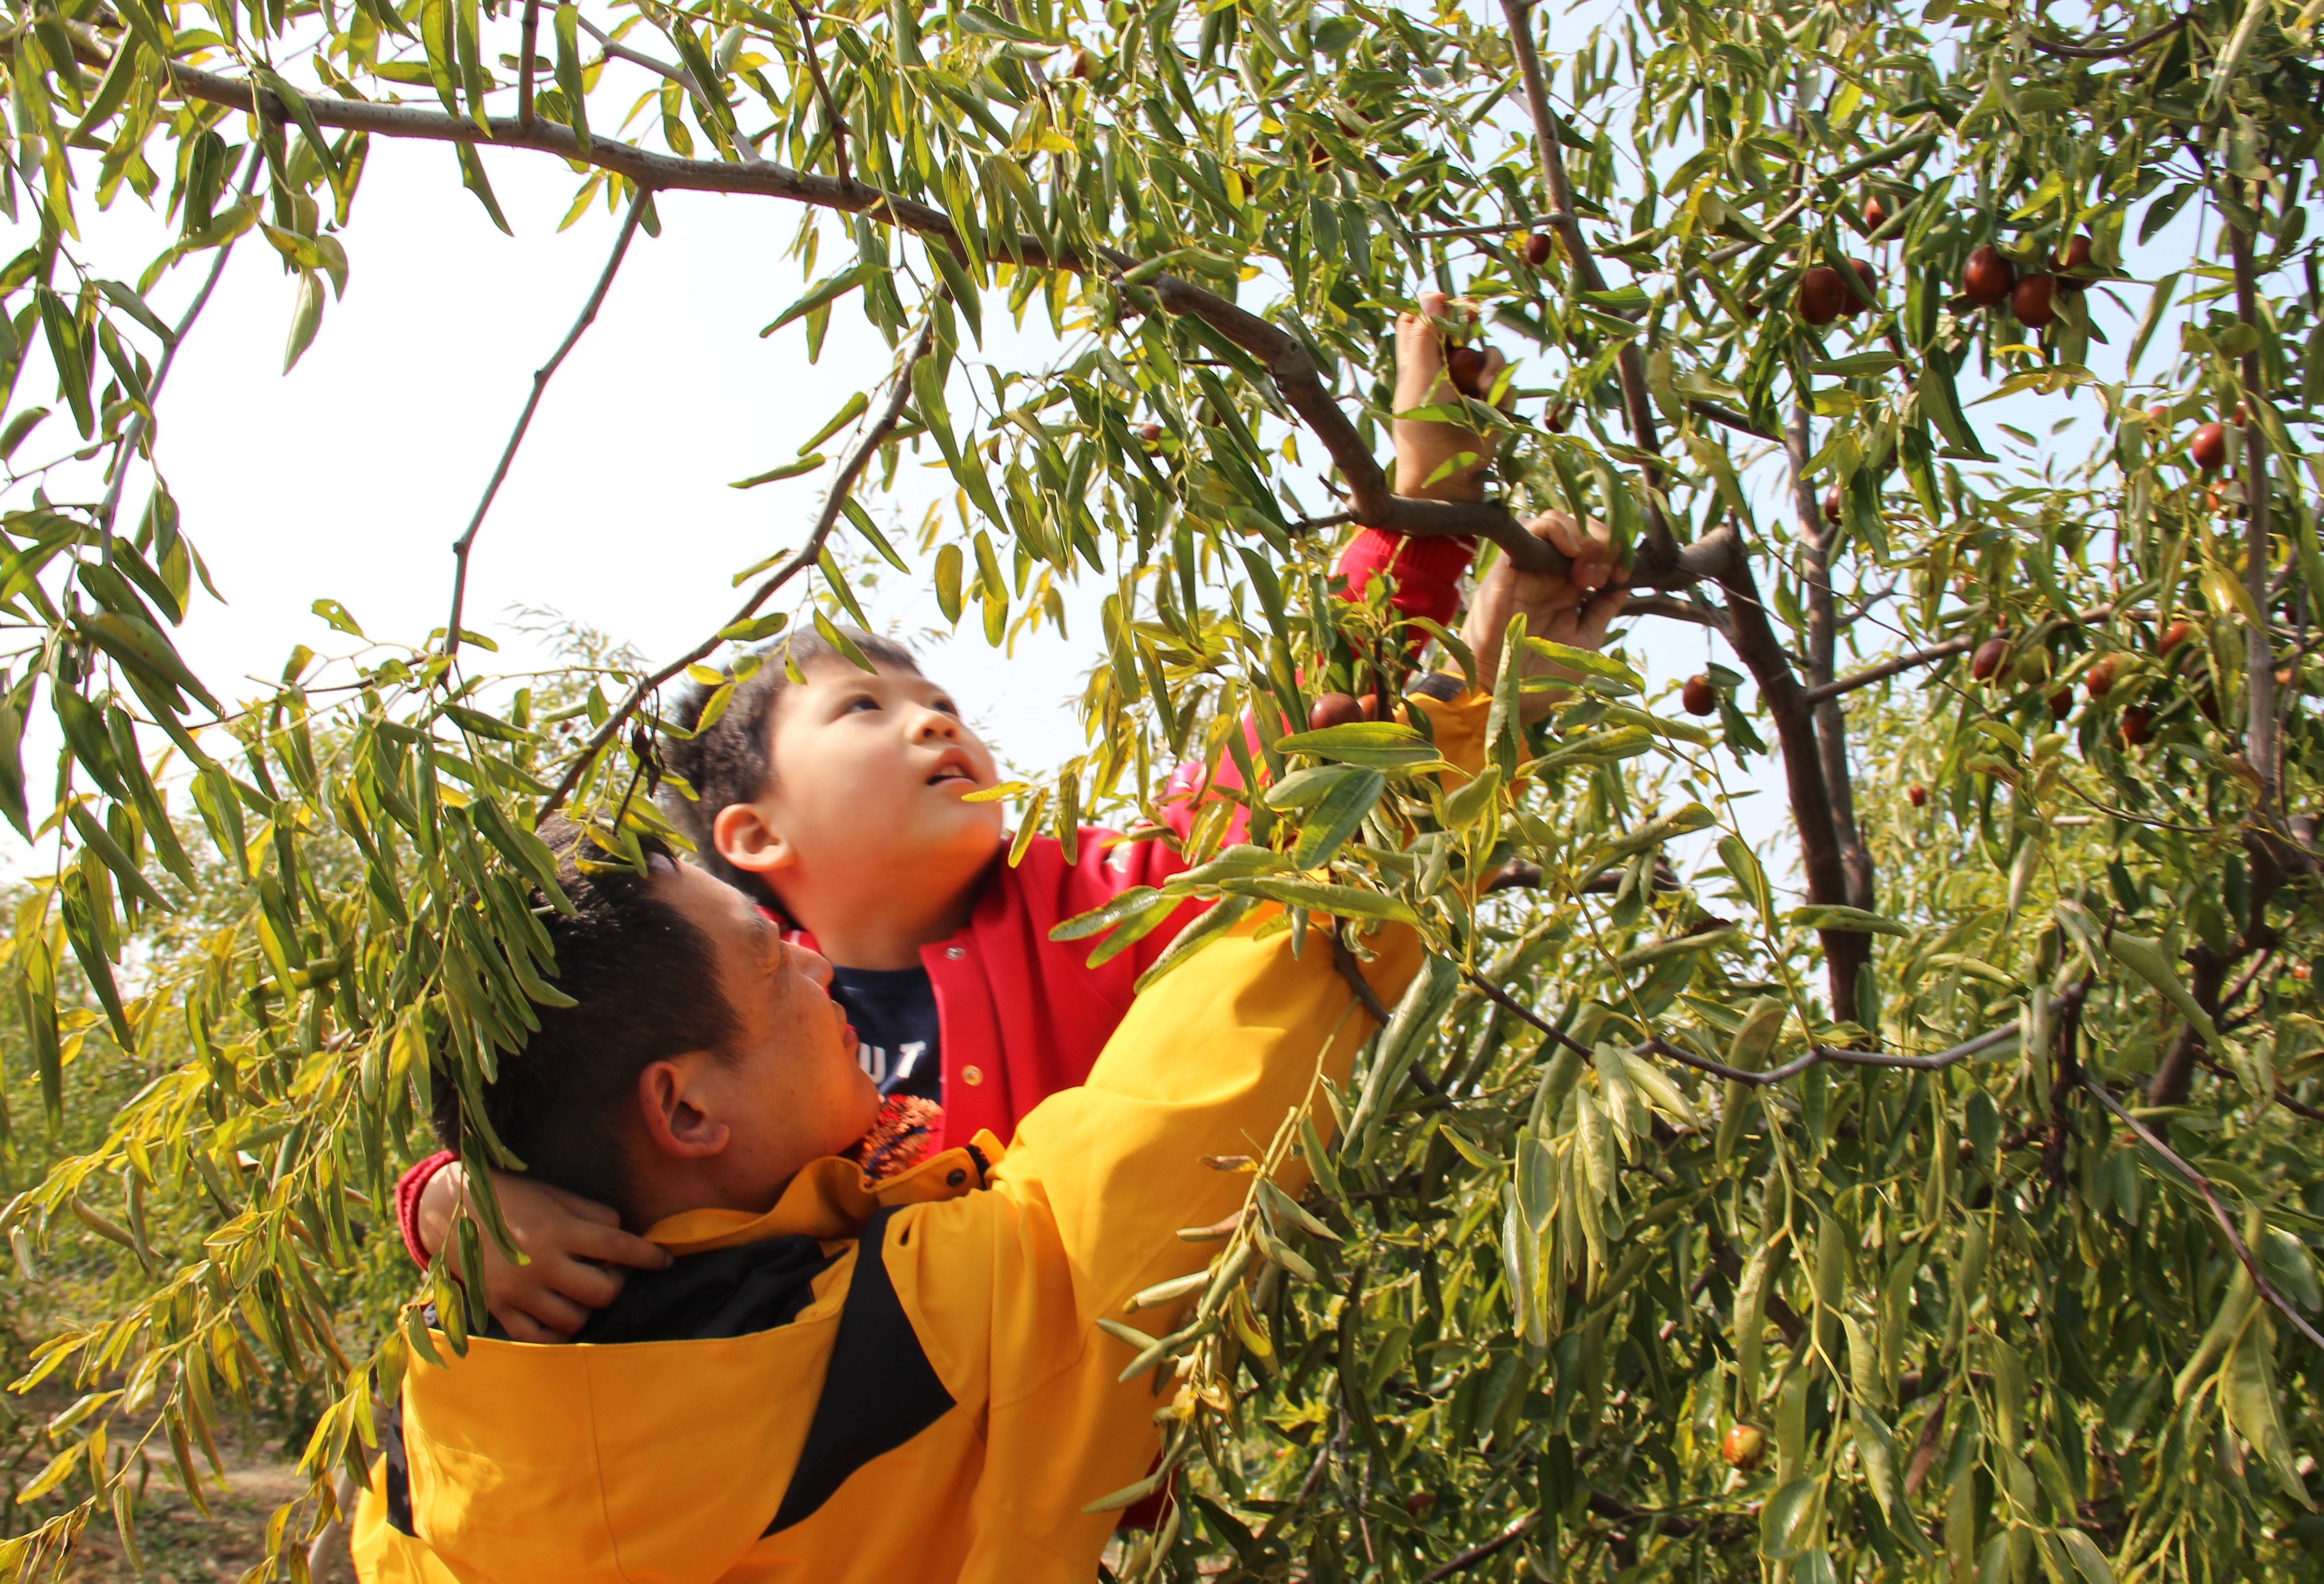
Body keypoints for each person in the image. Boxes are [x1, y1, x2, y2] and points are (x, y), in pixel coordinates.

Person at [391, 291, 1633, 1344]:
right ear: (755, 841)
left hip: (1012, 1438)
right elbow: (544, 1089)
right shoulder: (712, 981)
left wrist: (1414, 521)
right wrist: (452, 1201)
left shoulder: (1090, 904)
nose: (937, 723)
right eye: (865, 710)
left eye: (944, 702)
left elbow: (1296, 768)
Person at [352, 826, 1422, 1584]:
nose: (816, 959)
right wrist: (1408, 774)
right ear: (684, 1107)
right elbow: (1187, 1104)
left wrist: (446, 1192)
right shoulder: (927, 1332)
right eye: (774, 962)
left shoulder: (418, 1459)